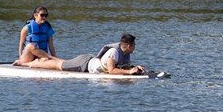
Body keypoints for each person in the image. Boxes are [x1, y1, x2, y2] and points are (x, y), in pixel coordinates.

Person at [18, 33, 146, 75]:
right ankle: (29, 63)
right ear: (129, 46)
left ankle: (38, 60)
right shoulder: (114, 52)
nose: (135, 47)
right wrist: (129, 73)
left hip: (87, 61)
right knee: (58, 65)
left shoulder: (126, 53)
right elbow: (112, 70)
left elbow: (123, 68)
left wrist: (135, 69)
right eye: (134, 45)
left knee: (59, 62)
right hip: (84, 64)